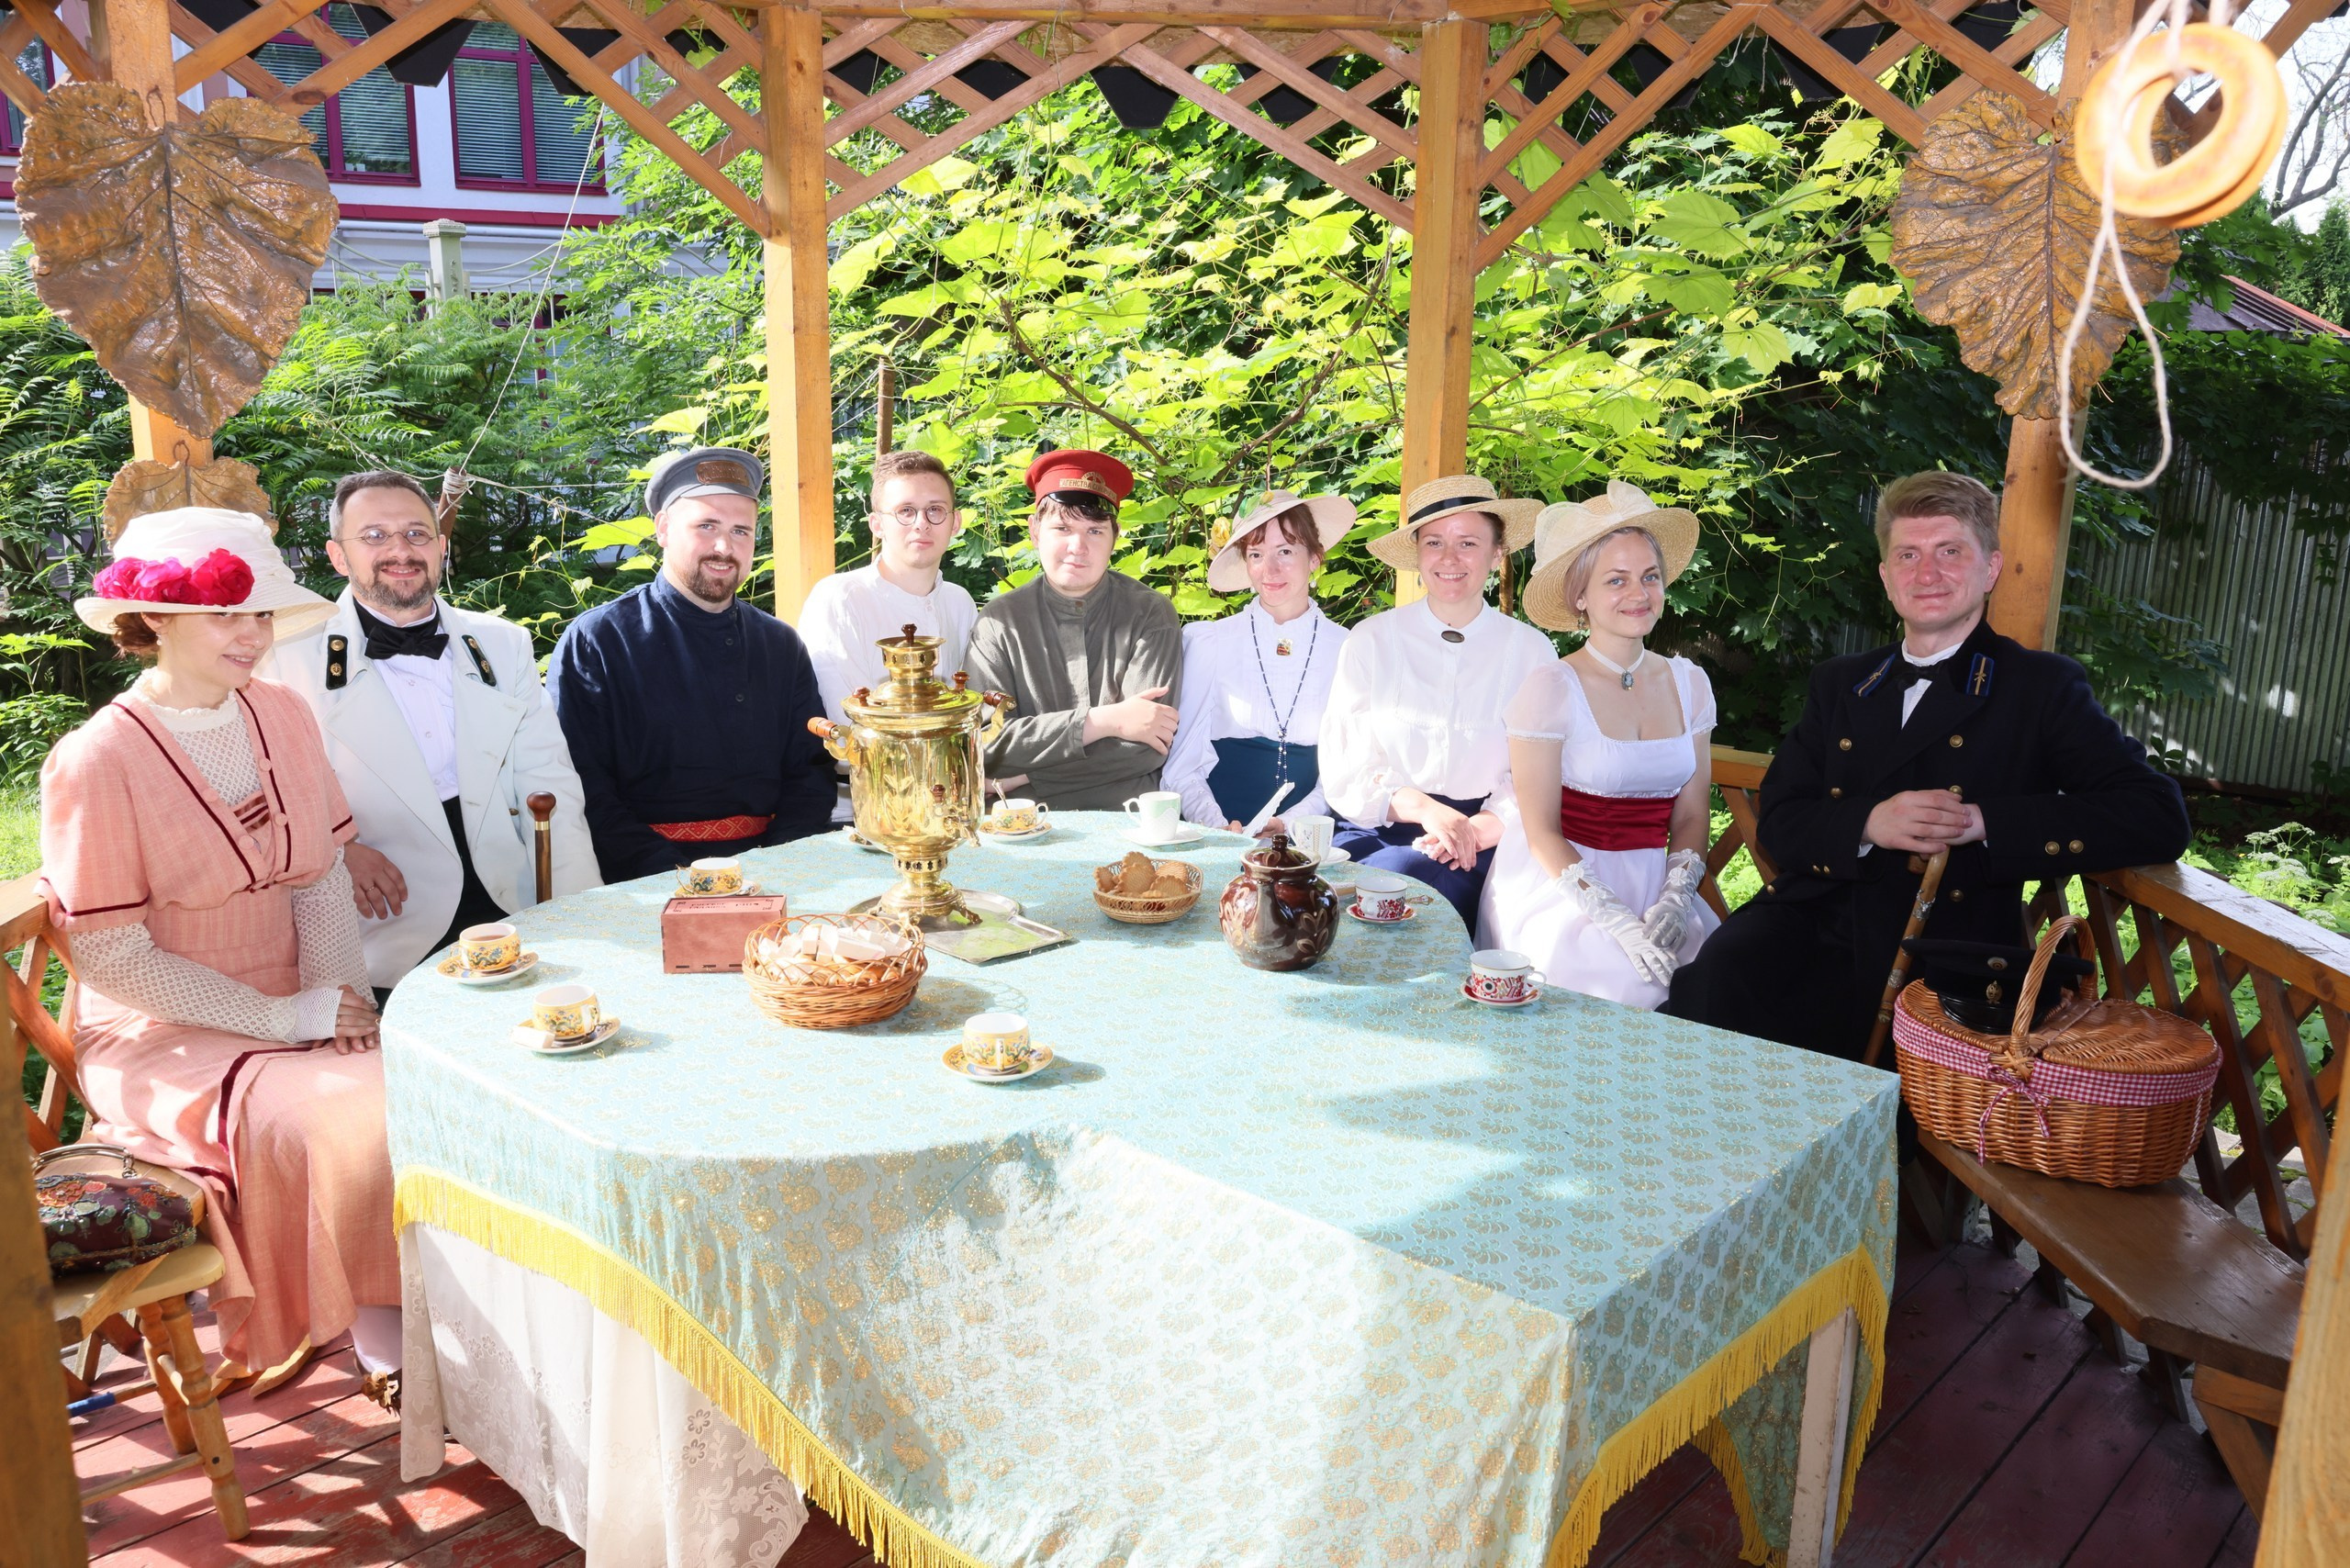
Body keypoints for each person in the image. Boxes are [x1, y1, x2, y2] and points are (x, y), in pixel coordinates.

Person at [39, 508, 404, 1405]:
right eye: (226, 614)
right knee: (345, 1123)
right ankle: (384, 1337)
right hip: (162, 1030)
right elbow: (115, 959)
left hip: (297, 991)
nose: (252, 635)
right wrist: (289, 1021)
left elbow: (317, 881)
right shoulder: (95, 759)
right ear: (153, 619)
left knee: (422, 1090)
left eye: (259, 614)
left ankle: (424, 1316)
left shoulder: (280, 712)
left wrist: (338, 1004)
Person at [1662, 471, 2193, 1061]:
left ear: (1990, 568)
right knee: (1715, 986)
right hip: (1812, 918)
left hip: (1939, 947)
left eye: (1949, 552)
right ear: (1887, 578)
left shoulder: (2038, 687)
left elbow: (2156, 815)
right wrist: (1868, 824)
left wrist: (1983, 821)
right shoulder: (1842, 682)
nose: (1927, 573)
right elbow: (1782, 822)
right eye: (1907, 555)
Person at [267, 471, 600, 1000]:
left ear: (441, 546)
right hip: (384, 922)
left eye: (417, 534)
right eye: (374, 536)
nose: (401, 550)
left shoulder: (503, 643)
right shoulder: (286, 658)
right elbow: (267, 794)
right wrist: (334, 851)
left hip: (511, 903)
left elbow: (549, 782)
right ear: (337, 556)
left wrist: (583, 915)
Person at [1478, 482, 1717, 1007]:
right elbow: (1539, 829)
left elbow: (1693, 815)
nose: (1639, 593)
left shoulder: (1691, 684)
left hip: (1659, 885)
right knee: (1625, 985)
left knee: (1714, 976)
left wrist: (1676, 900)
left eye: (1649, 577)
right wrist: (1616, 923)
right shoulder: (1550, 688)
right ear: (1581, 596)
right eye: (1617, 580)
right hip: (1565, 885)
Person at [546, 448, 835, 882]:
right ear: (663, 529)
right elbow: (583, 786)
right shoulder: (599, 641)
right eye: (706, 526)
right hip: (645, 882)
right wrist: (674, 877)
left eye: (742, 531)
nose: (725, 547)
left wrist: (776, 869)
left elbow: (811, 774)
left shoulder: (780, 644)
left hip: (775, 873)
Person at [1320, 475, 1553, 928]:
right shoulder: (1371, 640)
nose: (1450, 558)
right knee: (1404, 875)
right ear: (1418, 555)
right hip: (1383, 830)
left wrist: (1475, 831)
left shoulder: (1532, 651)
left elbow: (1538, 772)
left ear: (1497, 552)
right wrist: (1427, 812)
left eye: (1468, 542)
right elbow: (1346, 763)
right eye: (1434, 543)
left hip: (1490, 837)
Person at [964, 449, 1185, 812]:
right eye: (1062, 528)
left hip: (1127, 823)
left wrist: (1027, 776)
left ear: (1115, 537)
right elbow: (987, 745)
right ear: (1035, 531)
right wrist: (1103, 720)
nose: (1077, 547)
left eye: (1094, 530)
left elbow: (1147, 747)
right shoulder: (998, 622)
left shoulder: (1150, 614)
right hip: (1021, 829)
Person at [799, 449, 979, 821]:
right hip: (861, 812)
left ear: (955, 521)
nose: (922, 524)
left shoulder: (959, 603)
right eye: (905, 511)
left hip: (949, 807)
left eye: (935, 510)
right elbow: (847, 722)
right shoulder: (840, 597)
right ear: (876, 524)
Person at [1162, 490, 1353, 833]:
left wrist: (1291, 824)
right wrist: (1216, 826)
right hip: (1218, 832)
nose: (1271, 569)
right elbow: (1182, 765)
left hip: (1309, 838)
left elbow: (1346, 772)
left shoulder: (1347, 649)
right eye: (1256, 554)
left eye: (1285, 551)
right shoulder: (1210, 643)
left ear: (1314, 557)